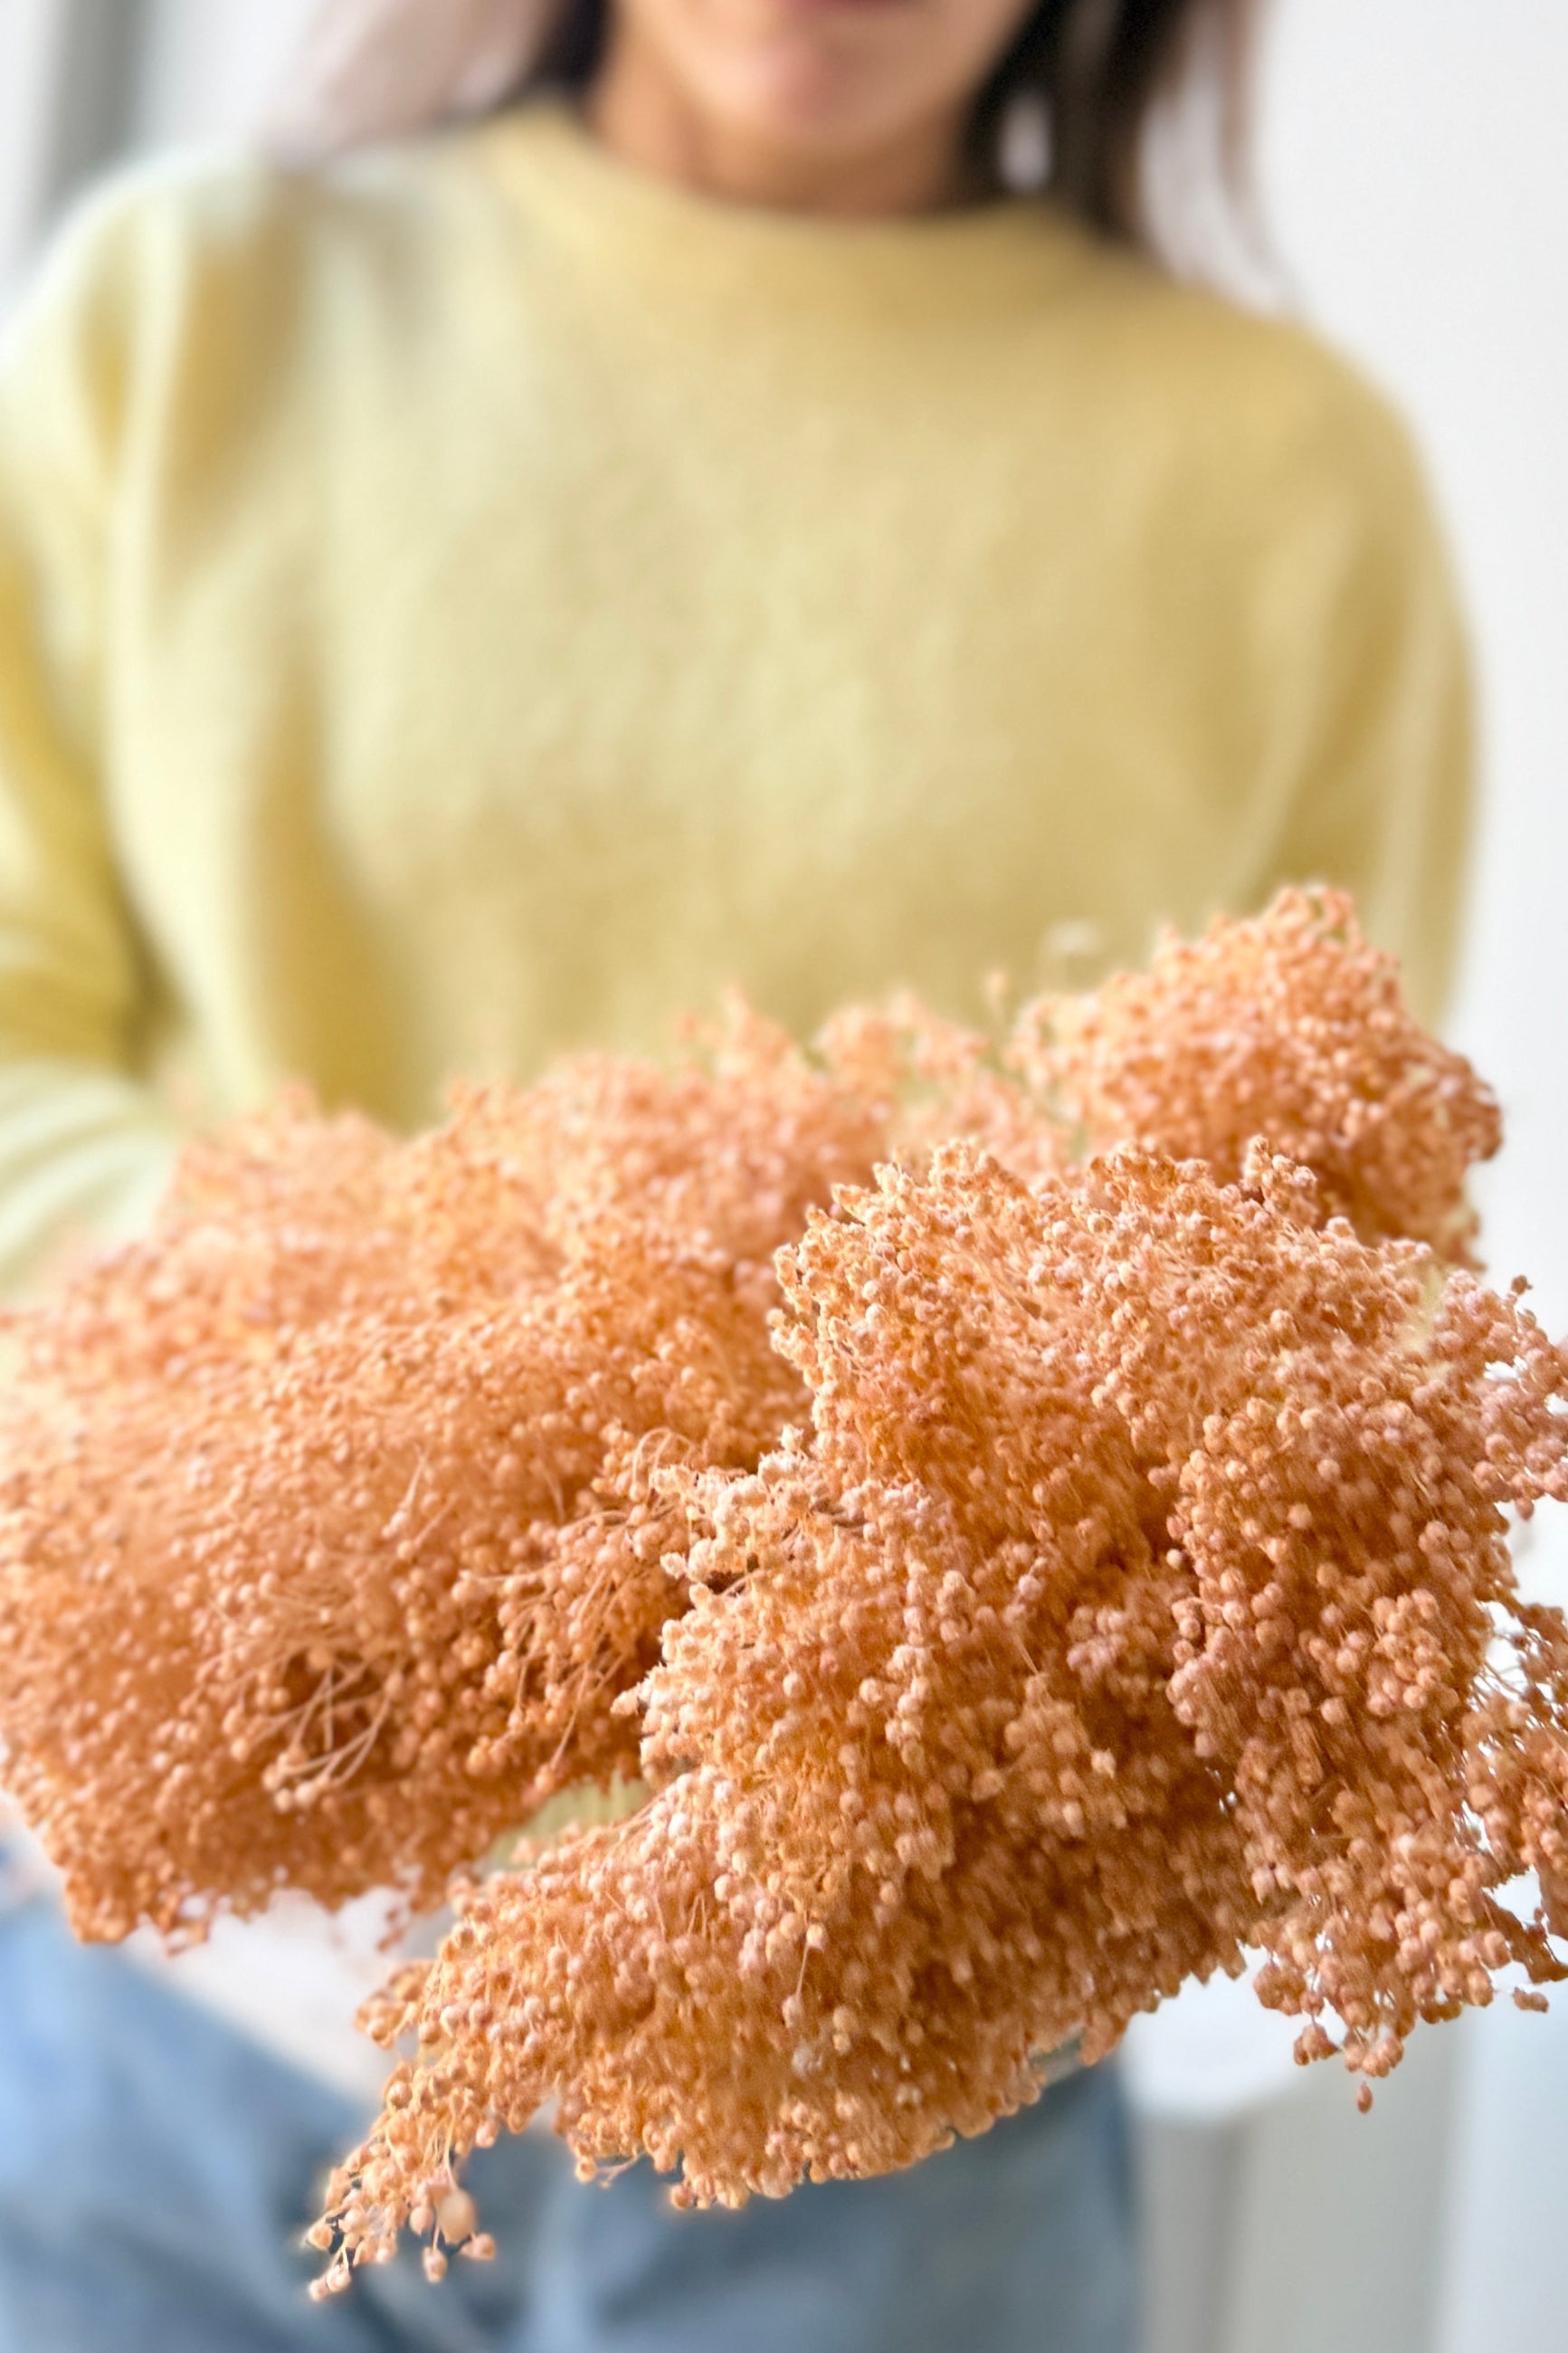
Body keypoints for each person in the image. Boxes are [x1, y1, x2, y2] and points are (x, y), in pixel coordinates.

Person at [0, 0, 1470, 2347]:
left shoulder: (1282, 484)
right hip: (168, 2029)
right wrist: (429, 1411)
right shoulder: (193, 316)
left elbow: (1313, 1241)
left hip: (898, 2103)